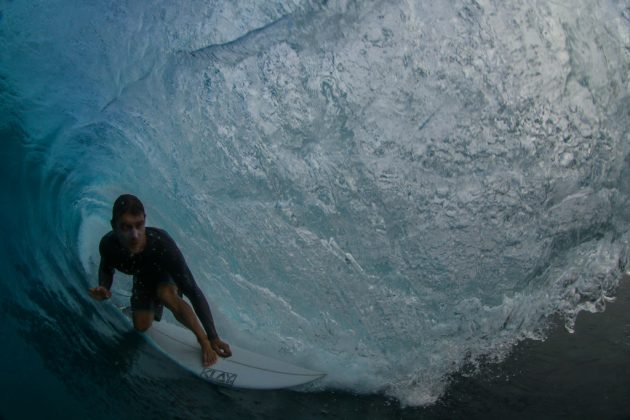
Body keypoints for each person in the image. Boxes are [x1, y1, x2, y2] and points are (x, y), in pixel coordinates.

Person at [89, 194, 231, 366]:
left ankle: (204, 342)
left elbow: (192, 290)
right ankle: (141, 308)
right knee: (141, 326)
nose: (135, 235)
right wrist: (104, 287)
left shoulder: (162, 245)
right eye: (126, 227)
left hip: (166, 277)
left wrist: (213, 336)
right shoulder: (108, 245)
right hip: (143, 280)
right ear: (114, 226)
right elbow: (106, 268)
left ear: (144, 221)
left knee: (166, 295)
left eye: (139, 225)